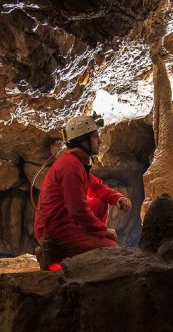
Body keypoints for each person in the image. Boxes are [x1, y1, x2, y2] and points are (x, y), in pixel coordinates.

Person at [34, 115, 132, 270]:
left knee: (100, 202)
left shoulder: (77, 163)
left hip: (65, 221)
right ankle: (58, 255)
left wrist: (117, 198)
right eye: (95, 137)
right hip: (55, 230)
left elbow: (97, 187)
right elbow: (78, 210)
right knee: (113, 252)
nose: (99, 141)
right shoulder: (70, 167)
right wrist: (103, 232)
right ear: (82, 141)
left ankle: (82, 246)